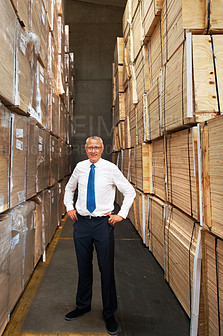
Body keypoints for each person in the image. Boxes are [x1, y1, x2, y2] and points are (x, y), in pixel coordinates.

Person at [64, 136, 136, 335]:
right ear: (85, 149)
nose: (93, 151)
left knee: (106, 268)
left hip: (102, 224)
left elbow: (129, 192)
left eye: (97, 147)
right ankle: (83, 305)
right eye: (90, 147)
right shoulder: (80, 167)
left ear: (102, 149)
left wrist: (121, 215)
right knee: (83, 266)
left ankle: (109, 312)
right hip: (82, 223)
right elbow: (69, 188)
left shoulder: (110, 168)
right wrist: (69, 207)